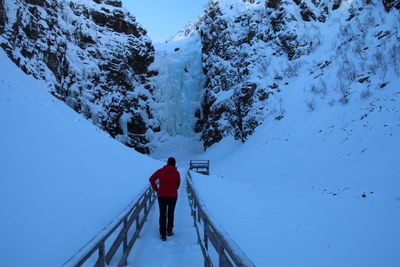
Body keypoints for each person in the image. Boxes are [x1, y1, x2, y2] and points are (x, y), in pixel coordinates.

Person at [149, 157, 181, 241]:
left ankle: (163, 234)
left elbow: (151, 179)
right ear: (174, 163)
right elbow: (178, 184)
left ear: (167, 163)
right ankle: (169, 231)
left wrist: (157, 189)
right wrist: (173, 189)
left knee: (162, 214)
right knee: (171, 213)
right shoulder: (177, 173)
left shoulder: (160, 171)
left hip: (162, 195)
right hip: (173, 196)